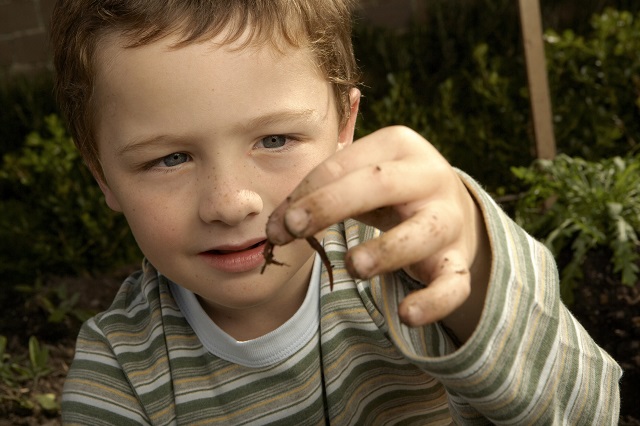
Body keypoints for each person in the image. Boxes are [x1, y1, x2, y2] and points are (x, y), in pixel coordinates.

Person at [51, 0, 621, 424]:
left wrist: (471, 269)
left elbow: (591, 410)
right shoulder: (119, 380)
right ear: (103, 175)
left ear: (345, 126)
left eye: (275, 141)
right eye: (169, 158)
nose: (230, 203)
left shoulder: (407, 259)